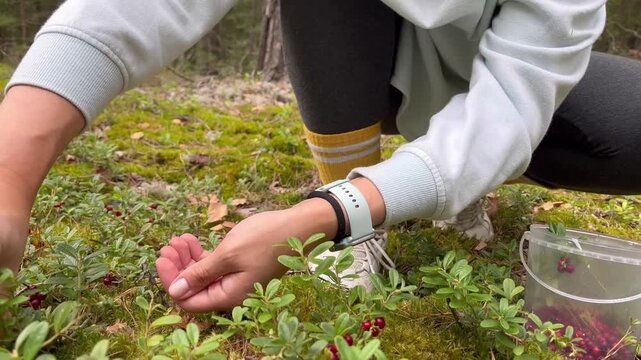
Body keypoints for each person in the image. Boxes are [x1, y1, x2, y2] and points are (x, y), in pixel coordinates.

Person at [1, 0, 640, 313]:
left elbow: (515, 95)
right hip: (374, 65)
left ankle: (437, 185)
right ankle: (356, 232)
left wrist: (307, 221)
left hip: (508, 74)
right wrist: (9, 172)